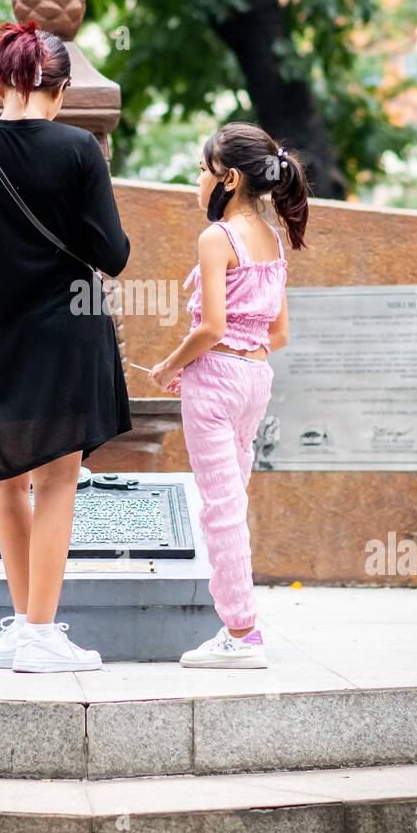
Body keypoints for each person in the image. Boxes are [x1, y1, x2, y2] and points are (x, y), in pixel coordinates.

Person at [0, 19, 132, 673]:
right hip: (67, 340)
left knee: (4, 480)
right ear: (61, 89)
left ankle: (24, 627)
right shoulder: (77, 151)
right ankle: (40, 632)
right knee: (58, 481)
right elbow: (114, 255)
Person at [148, 123, 310, 669]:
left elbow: (212, 326)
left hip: (215, 380)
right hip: (254, 380)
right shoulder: (273, 238)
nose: (196, 181)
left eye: (201, 170)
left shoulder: (217, 237)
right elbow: (278, 333)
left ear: (230, 178)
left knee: (221, 510)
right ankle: (238, 629)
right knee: (231, 504)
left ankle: (241, 633)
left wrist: (170, 366)